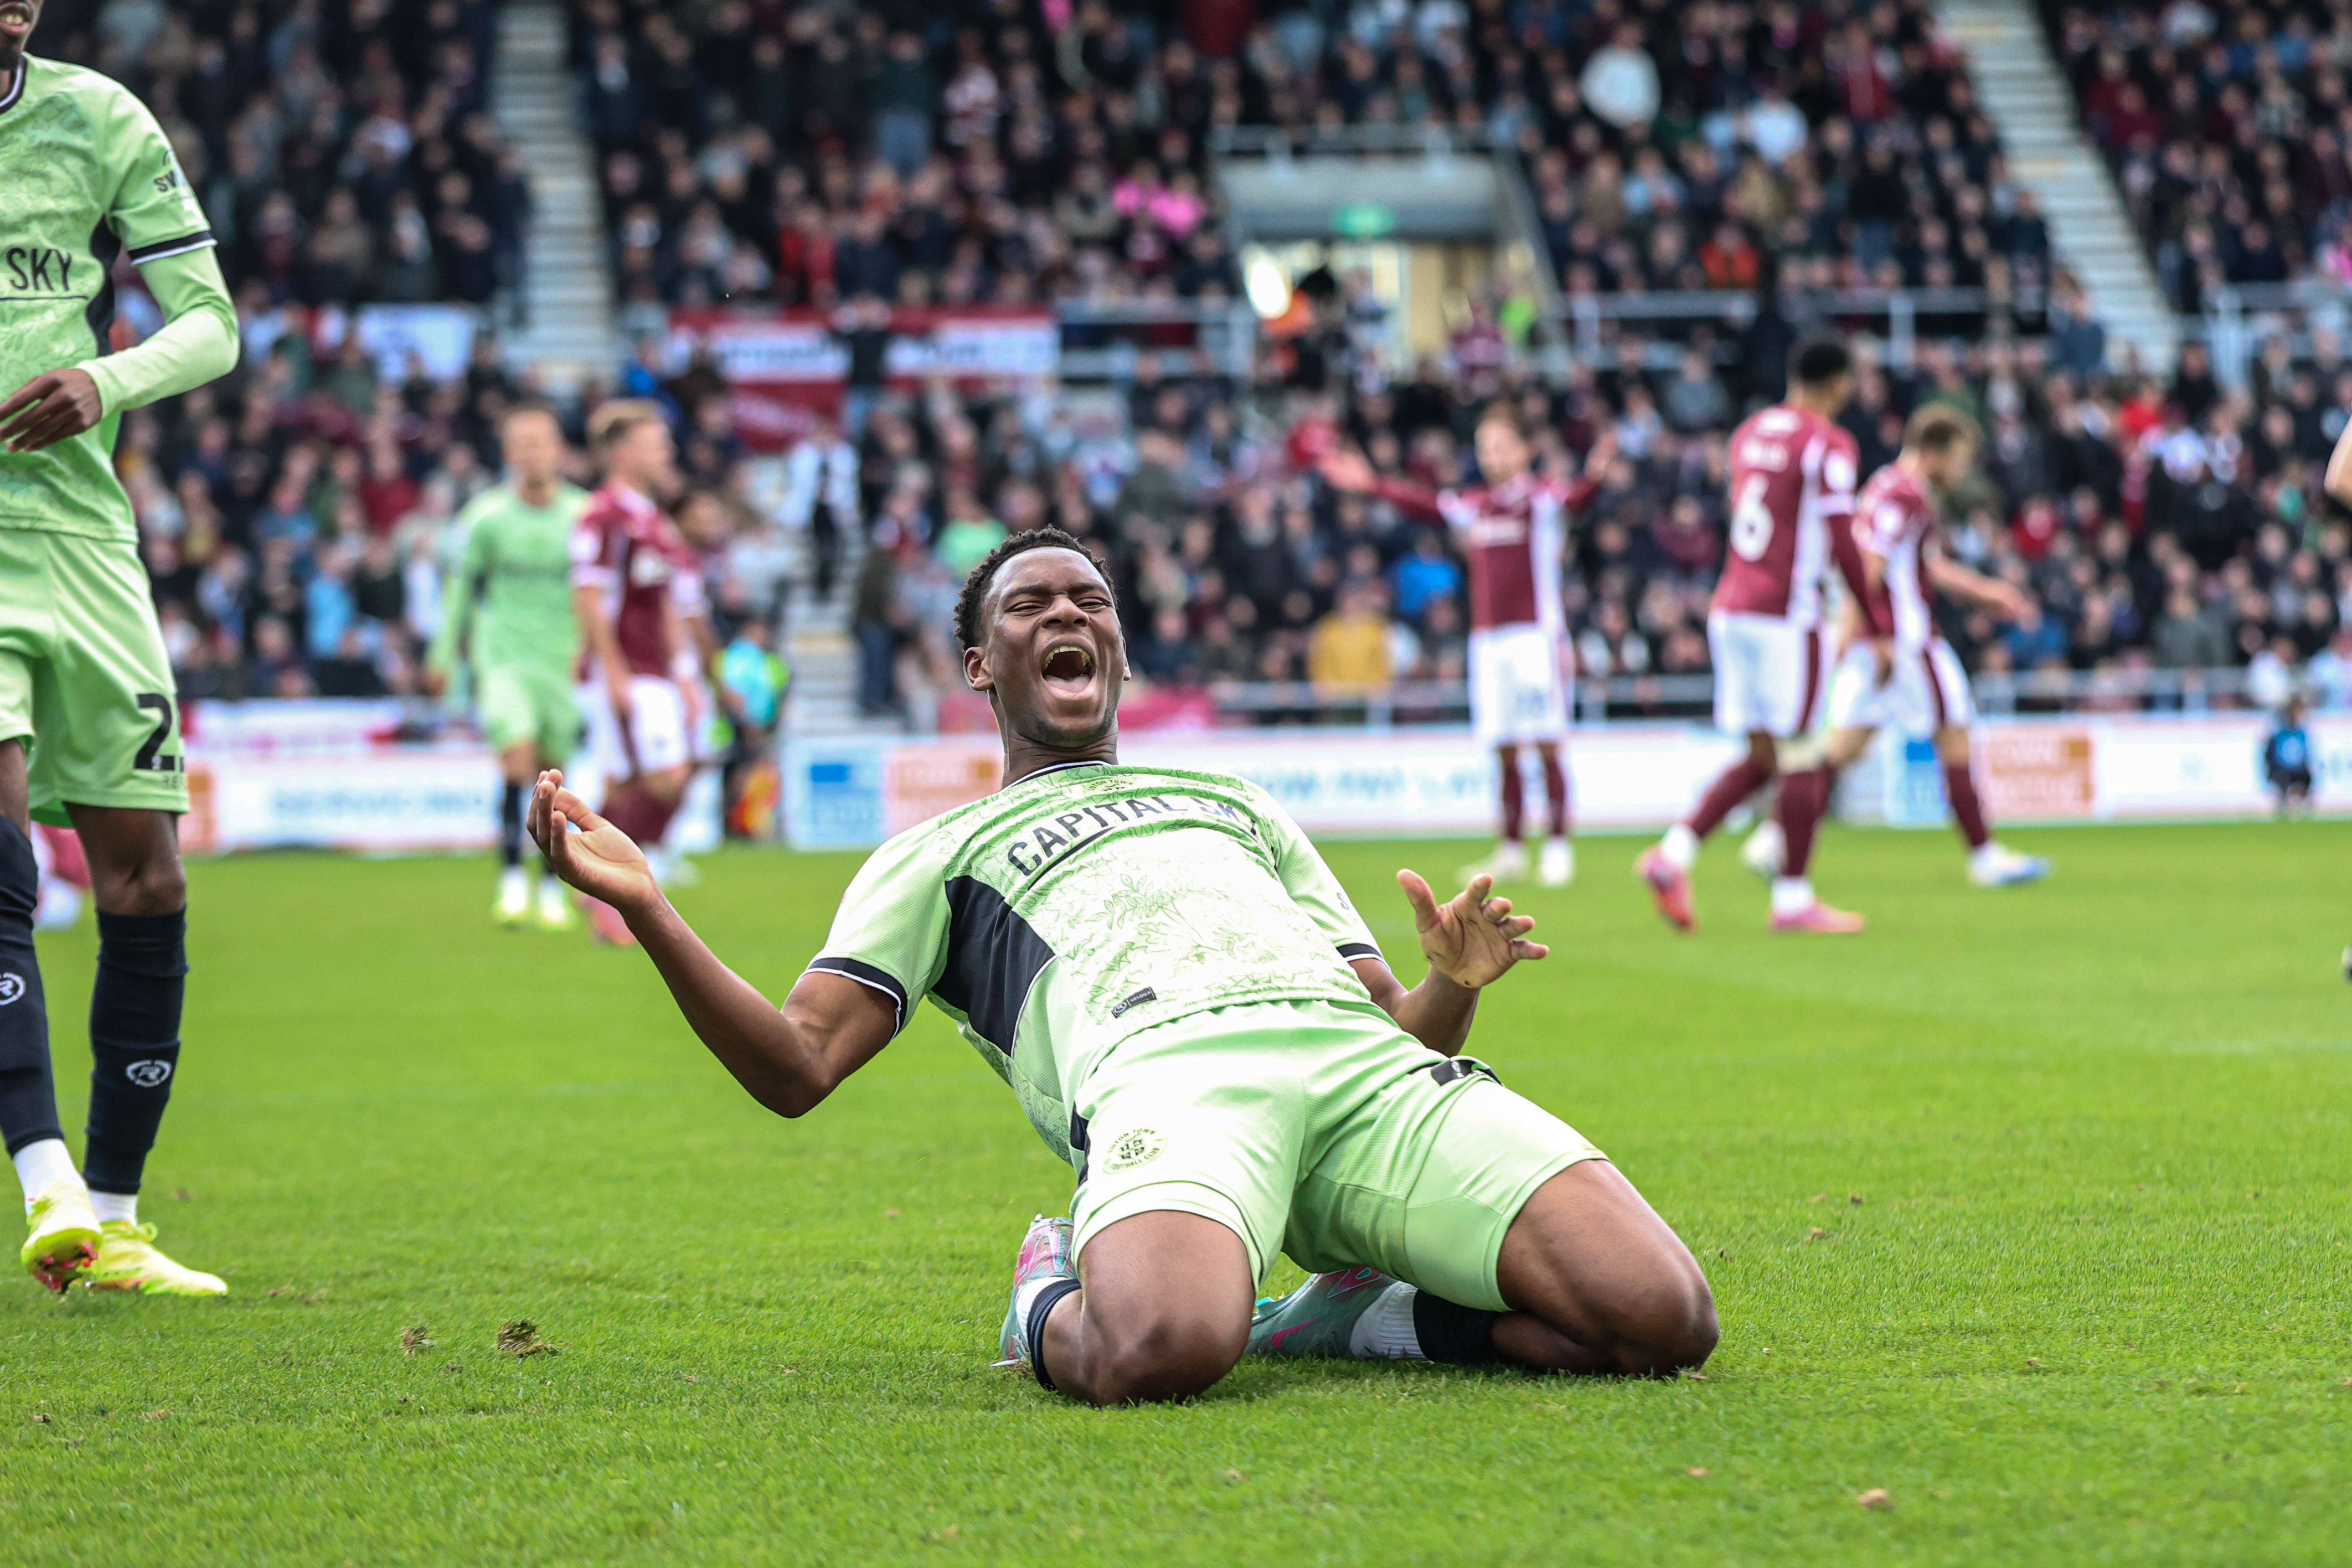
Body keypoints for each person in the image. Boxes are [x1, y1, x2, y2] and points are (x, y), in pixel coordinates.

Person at [525, 528, 1716, 1405]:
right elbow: (796, 1064)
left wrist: (1450, 984)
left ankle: (1351, 1322)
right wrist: (652, 912)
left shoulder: (1233, 797)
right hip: (1172, 1089)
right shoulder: (936, 854)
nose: (1066, 616)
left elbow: (1402, 1036)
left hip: (1364, 1079)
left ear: (1121, 651)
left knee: (1660, 1319)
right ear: (984, 667)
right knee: (1158, 1353)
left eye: (1088, 600)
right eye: (1030, 604)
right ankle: (1046, 1285)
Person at [0, 9, 240, 1294]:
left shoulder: (99, 118)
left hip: (84, 543)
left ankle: (115, 1215)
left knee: (145, 879)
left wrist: (111, 379)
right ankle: (46, 1186)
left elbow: (212, 326)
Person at [1636, 339, 1884, 934]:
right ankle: (1793, 899)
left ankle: (1673, 856)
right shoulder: (1827, 442)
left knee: (1761, 755)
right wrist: (1873, 614)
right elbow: (1841, 536)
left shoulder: (1749, 432)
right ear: (1839, 384)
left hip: (1733, 607)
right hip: (1786, 615)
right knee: (1803, 752)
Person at [1751, 408, 2051, 890]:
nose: (1962, 470)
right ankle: (1985, 858)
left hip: (1884, 641)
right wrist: (1879, 632)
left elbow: (1920, 565)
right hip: (1907, 642)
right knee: (1954, 733)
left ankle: (1774, 836)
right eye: (1958, 459)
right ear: (1932, 452)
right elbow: (1871, 564)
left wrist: (1983, 591)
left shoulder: (1889, 488)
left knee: (1844, 746)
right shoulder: (1904, 495)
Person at [1320, 410, 1613, 889]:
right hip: (1488, 641)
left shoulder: (1540, 500)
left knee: (1545, 742)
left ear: (1523, 450)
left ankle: (1559, 845)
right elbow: (1424, 504)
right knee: (1502, 746)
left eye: (1500, 445)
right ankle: (1513, 848)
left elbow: (1579, 498)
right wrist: (1372, 483)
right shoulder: (1475, 504)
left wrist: (1596, 475)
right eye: (1484, 447)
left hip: (1534, 638)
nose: (1491, 456)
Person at [425, 405, 591, 930]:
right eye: (522, 444)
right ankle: (511, 879)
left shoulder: (585, 516)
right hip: (504, 659)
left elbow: (603, 595)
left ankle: (550, 885)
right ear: (508, 454)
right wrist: (443, 654)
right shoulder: (485, 518)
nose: (533, 453)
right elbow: (459, 589)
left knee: (554, 773)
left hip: (562, 661)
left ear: (559, 450)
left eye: (542, 442)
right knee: (518, 762)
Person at [569, 401, 699, 946]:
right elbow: (590, 598)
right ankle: (597, 883)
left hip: (658, 673)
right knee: (666, 779)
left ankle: (598, 884)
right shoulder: (603, 518)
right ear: (621, 452)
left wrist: (687, 674)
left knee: (631, 782)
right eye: (654, 443)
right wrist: (614, 672)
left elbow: (667, 605)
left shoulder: (653, 521)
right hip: (625, 673)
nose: (665, 452)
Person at [2263, 697, 2314, 818]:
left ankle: (2304, 812)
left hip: (2298, 771)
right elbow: (2271, 756)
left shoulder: (2301, 733)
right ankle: (2283, 811)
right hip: (2281, 771)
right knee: (2282, 781)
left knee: (2307, 780)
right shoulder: (2279, 734)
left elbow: (2304, 755)